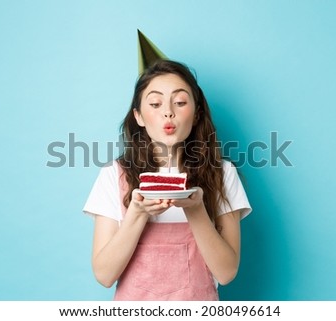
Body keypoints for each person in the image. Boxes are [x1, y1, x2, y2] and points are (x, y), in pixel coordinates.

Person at [83, 32, 251, 301]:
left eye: (180, 102)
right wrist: (137, 213)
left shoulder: (222, 173)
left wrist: (196, 210)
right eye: (155, 103)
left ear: (196, 113)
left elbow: (227, 272)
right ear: (138, 116)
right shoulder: (114, 175)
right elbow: (104, 275)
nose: (168, 112)